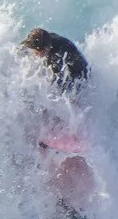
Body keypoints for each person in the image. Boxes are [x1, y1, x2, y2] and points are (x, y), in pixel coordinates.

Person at [20, 28, 96, 209]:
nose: (34, 53)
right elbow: (27, 48)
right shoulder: (46, 38)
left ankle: (63, 141)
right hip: (72, 65)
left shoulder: (56, 62)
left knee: (64, 106)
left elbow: (59, 93)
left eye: (36, 51)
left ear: (45, 49)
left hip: (80, 77)